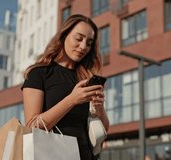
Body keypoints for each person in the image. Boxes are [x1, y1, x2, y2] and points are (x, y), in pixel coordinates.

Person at [21, 14, 109, 160]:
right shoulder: (39, 73)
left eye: (89, 43)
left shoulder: (85, 78)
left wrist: (99, 108)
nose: (83, 46)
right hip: (52, 155)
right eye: (79, 38)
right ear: (64, 35)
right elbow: (32, 127)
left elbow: (103, 130)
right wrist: (72, 100)